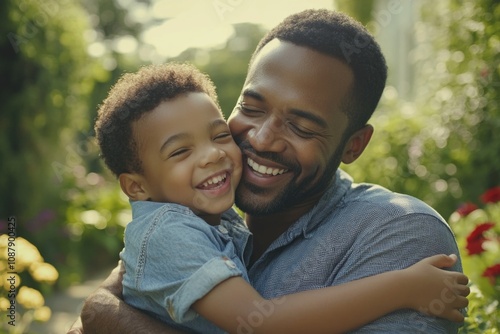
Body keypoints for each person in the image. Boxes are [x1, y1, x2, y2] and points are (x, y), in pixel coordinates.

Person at [70, 9, 469, 333]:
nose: (261, 139)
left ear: (353, 145)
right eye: (252, 108)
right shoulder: (196, 223)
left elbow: (106, 312)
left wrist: (110, 317)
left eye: (302, 126)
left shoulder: (402, 234)